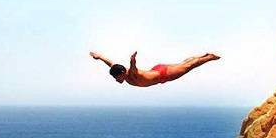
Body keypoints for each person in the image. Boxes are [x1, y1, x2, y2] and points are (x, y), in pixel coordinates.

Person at [90, 51, 220, 87]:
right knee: (183, 63)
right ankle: (203, 55)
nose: (115, 79)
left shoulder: (132, 74)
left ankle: (209, 57)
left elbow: (133, 67)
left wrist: (132, 59)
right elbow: (111, 64)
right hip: (157, 70)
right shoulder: (120, 71)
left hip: (164, 74)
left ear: (123, 73)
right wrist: (100, 57)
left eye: (116, 77)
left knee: (188, 66)